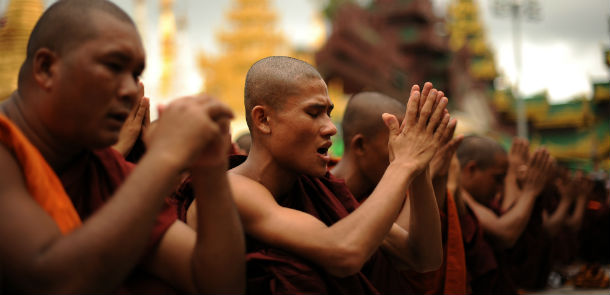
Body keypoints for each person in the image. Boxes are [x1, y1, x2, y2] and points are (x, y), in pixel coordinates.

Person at [0, 0, 244, 293]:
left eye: (135, 74)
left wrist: (211, 170)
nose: (130, 90)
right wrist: (163, 158)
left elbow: (215, 283)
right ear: (46, 68)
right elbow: (53, 281)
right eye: (113, 66)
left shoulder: (101, 168)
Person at [188, 56, 451, 294]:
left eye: (329, 114)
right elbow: (344, 252)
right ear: (263, 120)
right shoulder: (232, 190)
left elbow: (422, 257)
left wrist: (419, 168)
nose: (330, 128)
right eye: (314, 113)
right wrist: (402, 165)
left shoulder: (321, 190)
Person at [331, 89, 467, 294]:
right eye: (398, 140)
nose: (406, 148)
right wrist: (410, 164)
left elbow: (425, 258)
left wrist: (421, 169)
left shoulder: (369, 197)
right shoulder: (320, 192)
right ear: (360, 145)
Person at [456, 135, 554, 293]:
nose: (500, 187)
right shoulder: (455, 194)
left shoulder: (481, 202)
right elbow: (505, 233)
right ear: (471, 169)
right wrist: (529, 191)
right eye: (498, 178)